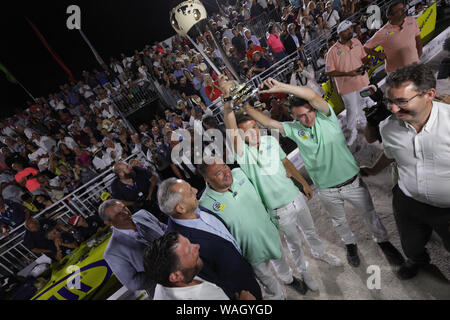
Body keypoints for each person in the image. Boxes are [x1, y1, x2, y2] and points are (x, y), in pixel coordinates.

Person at [245, 76, 405, 268]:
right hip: (326, 189)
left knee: (370, 214)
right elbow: (269, 123)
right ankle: (350, 244)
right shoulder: (293, 129)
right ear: (294, 117)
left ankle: (383, 242)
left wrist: (281, 87)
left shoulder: (326, 116)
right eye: (302, 116)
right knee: (339, 221)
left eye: (309, 112)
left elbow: (312, 95)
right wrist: (245, 108)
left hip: (352, 182)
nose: (308, 117)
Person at [219, 75, 343, 277]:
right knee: (294, 243)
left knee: (310, 231)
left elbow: (286, 163)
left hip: (296, 197)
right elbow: (230, 125)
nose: (253, 133)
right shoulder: (243, 154)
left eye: (255, 128)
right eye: (246, 132)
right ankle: (303, 270)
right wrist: (227, 97)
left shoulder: (269, 141)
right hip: (278, 210)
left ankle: (320, 253)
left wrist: (303, 184)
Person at [360, 63, 450, 279]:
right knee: (410, 242)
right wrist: (373, 170)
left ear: (429, 94)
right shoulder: (388, 127)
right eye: (390, 101)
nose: (393, 109)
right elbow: (391, 153)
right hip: (407, 200)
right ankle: (417, 260)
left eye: (402, 101)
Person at [198, 157, 313, 298]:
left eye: (225, 166)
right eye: (218, 173)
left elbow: (262, 177)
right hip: (249, 249)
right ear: (207, 179)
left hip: (268, 232)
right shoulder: (205, 204)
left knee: (280, 258)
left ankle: (288, 278)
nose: (226, 172)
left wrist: (284, 169)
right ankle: (278, 296)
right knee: (265, 277)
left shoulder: (240, 173)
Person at [157, 178, 263, 300]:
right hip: (240, 293)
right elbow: (210, 282)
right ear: (181, 209)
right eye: (190, 192)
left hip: (246, 273)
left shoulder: (196, 207)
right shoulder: (180, 248)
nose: (196, 190)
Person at [143, 231, 255, 300]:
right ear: (176, 276)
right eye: (188, 251)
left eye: (190, 242)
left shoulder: (164, 280)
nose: (197, 246)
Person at [99, 199, 167, 296]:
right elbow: (134, 283)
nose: (126, 213)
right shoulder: (112, 252)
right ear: (108, 223)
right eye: (118, 214)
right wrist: (165, 270)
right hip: (164, 291)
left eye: (124, 208)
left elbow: (168, 230)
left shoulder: (143, 215)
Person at [325, 20, 372, 147]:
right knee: (351, 108)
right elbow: (329, 72)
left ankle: (365, 124)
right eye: (347, 30)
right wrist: (348, 73)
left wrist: (367, 61)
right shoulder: (332, 51)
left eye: (351, 29)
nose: (350, 31)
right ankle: (352, 131)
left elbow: (362, 57)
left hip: (361, 81)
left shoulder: (357, 42)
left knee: (362, 103)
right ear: (340, 33)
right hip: (346, 86)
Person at [364, 1, 422, 74]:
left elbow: (418, 38)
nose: (404, 11)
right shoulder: (382, 33)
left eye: (403, 8)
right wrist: (379, 54)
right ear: (390, 16)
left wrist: (418, 55)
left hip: (414, 67)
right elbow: (366, 47)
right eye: (400, 10)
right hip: (396, 73)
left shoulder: (411, 20)